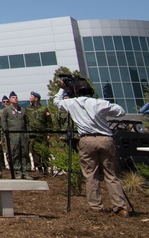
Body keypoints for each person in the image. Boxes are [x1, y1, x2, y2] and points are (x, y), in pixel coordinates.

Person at [55, 77, 130, 216]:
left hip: (86, 140)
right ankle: (120, 206)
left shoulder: (72, 103)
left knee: (91, 174)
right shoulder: (100, 103)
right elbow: (120, 111)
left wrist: (62, 88)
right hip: (105, 139)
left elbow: (57, 103)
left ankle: (96, 206)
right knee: (112, 175)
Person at [0, 91, 30, 179]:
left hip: (22, 135)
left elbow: (27, 122)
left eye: (16, 97)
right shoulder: (7, 110)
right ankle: (18, 172)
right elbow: (3, 122)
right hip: (12, 135)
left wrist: (27, 133)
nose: (15, 99)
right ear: (10, 99)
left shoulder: (22, 110)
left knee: (24, 153)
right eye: (13, 97)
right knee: (15, 153)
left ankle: (26, 172)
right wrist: (7, 133)